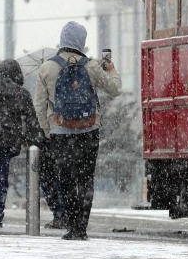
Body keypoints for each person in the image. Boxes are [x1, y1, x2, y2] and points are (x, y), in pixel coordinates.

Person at [33, 21, 122, 240]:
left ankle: (71, 226)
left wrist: (47, 130)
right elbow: (115, 89)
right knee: (85, 179)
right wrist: (111, 70)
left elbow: (39, 105)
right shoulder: (91, 66)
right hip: (88, 130)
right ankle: (81, 227)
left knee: (65, 180)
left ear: (62, 39)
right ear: (81, 41)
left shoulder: (47, 67)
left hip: (60, 132)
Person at [0, 59, 45, 228]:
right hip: (7, 140)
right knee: (1, 180)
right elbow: (32, 120)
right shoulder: (21, 93)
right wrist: (34, 140)